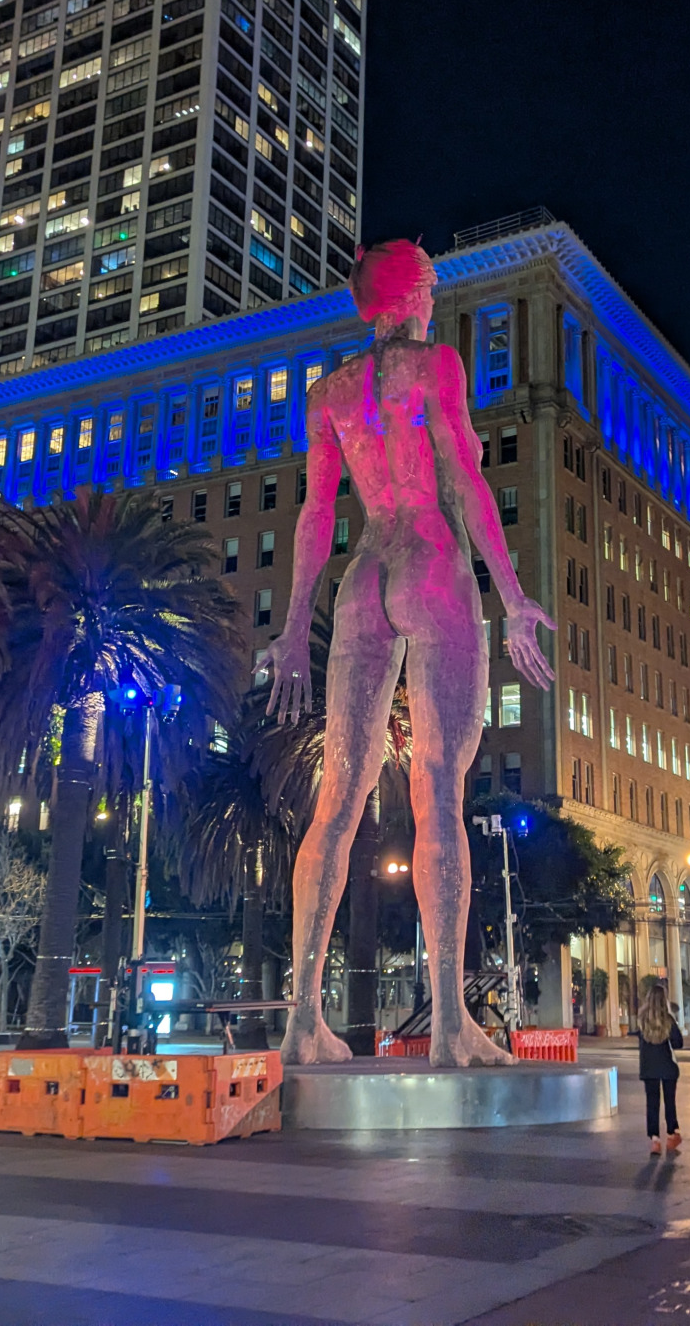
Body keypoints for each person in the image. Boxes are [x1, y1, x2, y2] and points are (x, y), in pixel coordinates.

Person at [261, 239, 556, 1067]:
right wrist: (513, 596)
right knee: (436, 788)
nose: (433, 299)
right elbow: (462, 475)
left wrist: (293, 625)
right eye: (429, 286)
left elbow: (318, 513)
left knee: (337, 799)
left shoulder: (330, 394)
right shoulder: (435, 366)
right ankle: (452, 1025)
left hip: (363, 578)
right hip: (430, 561)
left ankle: (301, 1021)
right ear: (411, 297)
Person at [636, 980, 684, 1154]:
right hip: (667, 1065)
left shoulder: (642, 1020)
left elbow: (641, 1042)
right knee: (669, 1101)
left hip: (649, 1067)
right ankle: (671, 1134)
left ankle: (655, 1140)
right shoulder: (668, 1019)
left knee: (652, 1103)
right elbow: (678, 1043)